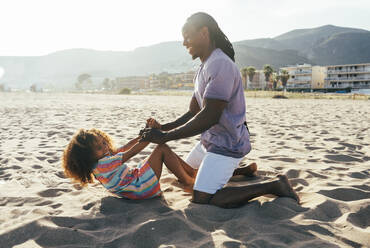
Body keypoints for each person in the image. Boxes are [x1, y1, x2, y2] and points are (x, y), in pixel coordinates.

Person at [141, 12, 300, 208]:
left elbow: (210, 116)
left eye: (188, 36)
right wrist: (163, 128)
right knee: (187, 176)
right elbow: (194, 111)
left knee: (202, 197)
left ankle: (275, 185)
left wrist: (165, 137)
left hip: (227, 144)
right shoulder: (203, 68)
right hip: (209, 141)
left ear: (204, 33)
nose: (184, 43)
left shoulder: (220, 64)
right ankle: (240, 171)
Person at [62, 128, 195, 200]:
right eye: (98, 147)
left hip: (132, 189)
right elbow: (131, 152)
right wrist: (150, 137)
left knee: (153, 157)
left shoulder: (98, 164)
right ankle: (188, 180)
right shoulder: (104, 164)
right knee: (162, 148)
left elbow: (126, 147)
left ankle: (191, 172)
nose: (105, 147)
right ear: (87, 155)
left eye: (104, 142)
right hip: (140, 188)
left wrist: (143, 135)